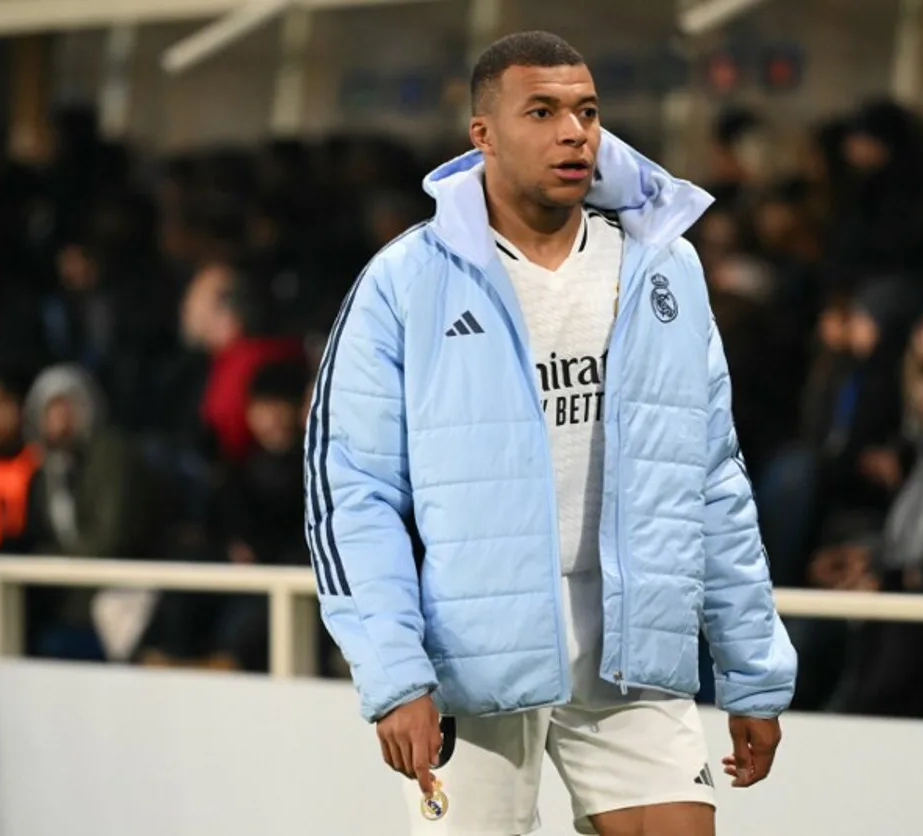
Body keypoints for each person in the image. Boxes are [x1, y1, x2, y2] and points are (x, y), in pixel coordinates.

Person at [304, 30, 796, 836]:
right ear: (483, 134)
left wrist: (752, 670)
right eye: (543, 111)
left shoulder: (661, 268)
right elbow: (352, 494)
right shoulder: (405, 283)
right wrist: (395, 675)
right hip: (473, 659)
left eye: (587, 111)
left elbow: (711, 476)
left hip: (631, 650)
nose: (575, 132)